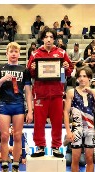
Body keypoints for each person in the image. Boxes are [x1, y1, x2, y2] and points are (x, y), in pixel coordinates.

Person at [27, 27, 73, 158]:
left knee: (57, 122)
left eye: (51, 37)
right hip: (40, 93)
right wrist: (32, 69)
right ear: (42, 39)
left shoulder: (61, 53)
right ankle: (40, 146)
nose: (48, 39)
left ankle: (56, 147)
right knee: (39, 122)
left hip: (57, 93)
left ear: (54, 39)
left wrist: (66, 68)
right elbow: (30, 72)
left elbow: (67, 73)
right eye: (46, 37)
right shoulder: (35, 54)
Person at [0, 42, 33, 172]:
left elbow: (28, 91)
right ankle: (4, 166)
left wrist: (30, 111)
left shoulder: (24, 70)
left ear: (19, 54)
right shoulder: (0, 69)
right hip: (4, 105)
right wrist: (2, 80)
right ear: (7, 53)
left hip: (18, 105)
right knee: (4, 136)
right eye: (11, 51)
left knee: (18, 136)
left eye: (16, 51)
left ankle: (15, 166)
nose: (14, 54)